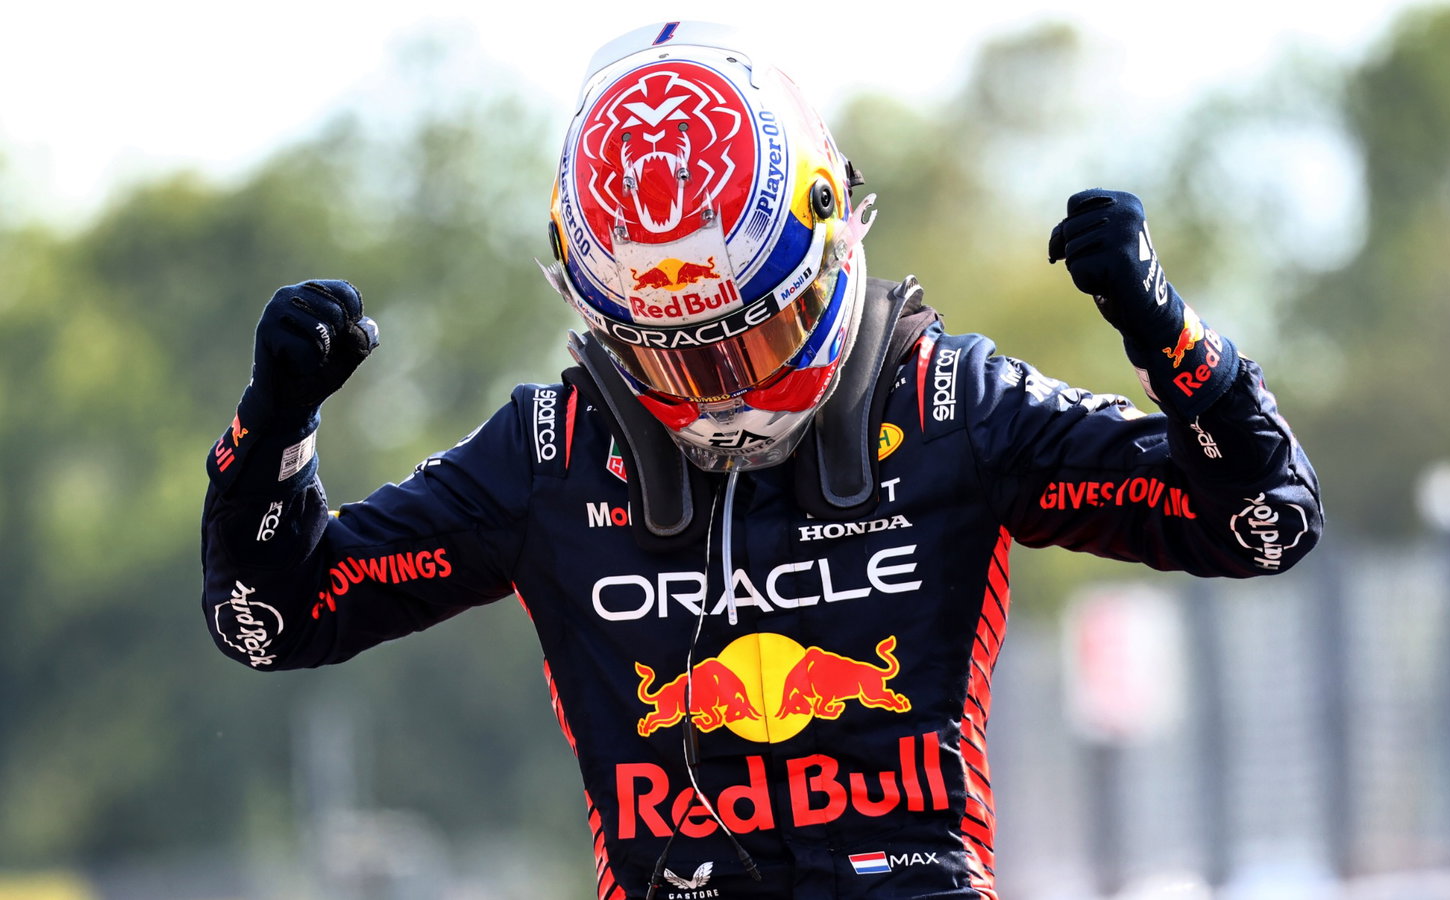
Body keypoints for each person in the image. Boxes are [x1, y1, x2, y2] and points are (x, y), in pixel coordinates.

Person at [200, 20, 1322, 900]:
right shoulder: (549, 454)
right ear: (600, 320)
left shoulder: (950, 403)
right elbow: (275, 619)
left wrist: (1170, 338)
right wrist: (273, 429)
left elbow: (1262, 519)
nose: (725, 391)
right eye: (678, 358)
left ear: (831, 241)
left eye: (753, 336)